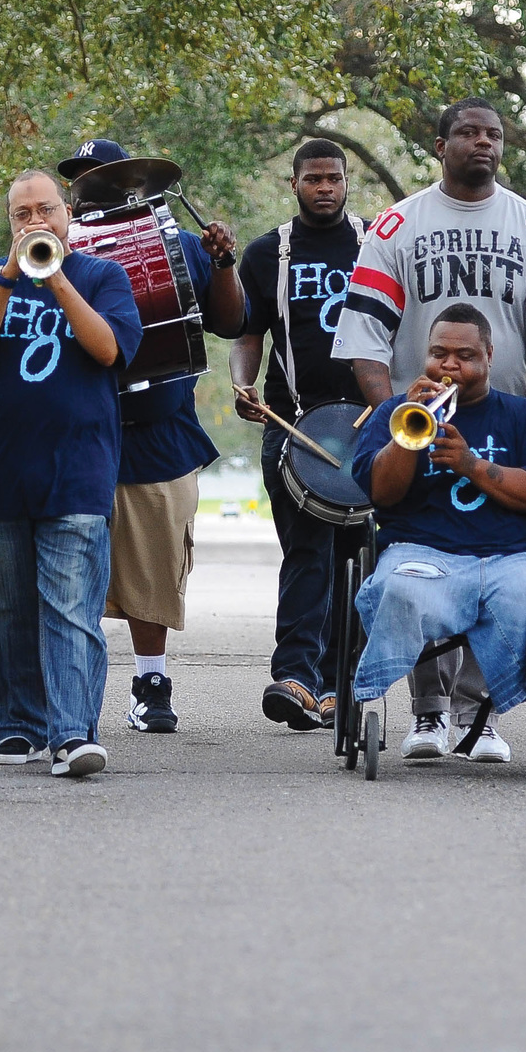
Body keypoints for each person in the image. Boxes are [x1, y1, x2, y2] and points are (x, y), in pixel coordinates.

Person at [332, 98, 526, 762]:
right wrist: (402, 418)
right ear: (441, 143)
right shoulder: (395, 226)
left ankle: (482, 716)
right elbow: (365, 336)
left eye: (495, 134)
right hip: (421, 414)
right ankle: (428, 711)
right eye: (470, 132)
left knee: (504, 556)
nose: (484, 142)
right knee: (421, 546)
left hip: (503, 419)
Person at [0, 170, 144, 779]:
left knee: (72, 609)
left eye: (45, 210)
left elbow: (108, 349)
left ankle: (72, 732)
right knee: (3, 611)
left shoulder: (103, 276)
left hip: (77, 472)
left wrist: (54, 277)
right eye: (22, 214)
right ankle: (17, 725)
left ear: (67, 213)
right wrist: (9, 275)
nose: (34, 222)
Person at [58, 138, 243, 735]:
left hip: (159, 433)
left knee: (156, 568)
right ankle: (65, 693)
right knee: (68, 569)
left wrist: (221, 263)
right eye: (79, 177)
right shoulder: (56, 252)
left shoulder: (176, 242)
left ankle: (151, 681)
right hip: (79, 431)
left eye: (99, 175)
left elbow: (230, 321)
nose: (87, 185)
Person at [344, 306, 526, 746]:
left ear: (489, 355)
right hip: (422, 551)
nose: (449, 365)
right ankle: (429, 713)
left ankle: (479, 716)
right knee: (404, 586)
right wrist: (407, 431)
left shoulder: (525, 417)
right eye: (438, 353)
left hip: (512, 555)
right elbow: (381, 494)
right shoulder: (395, 413)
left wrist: (471, 465)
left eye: (464, 355)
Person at [230, 139, 368, 730]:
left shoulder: (380, 243)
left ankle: (341, 686)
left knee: (358, 559)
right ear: (294, 184)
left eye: (333, 179)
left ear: (346, 181)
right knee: (306, 553)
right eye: (313, 179)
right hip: (293, 425)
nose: (324, 188)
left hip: (368, 428)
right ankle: (295, 678)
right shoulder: (267, 255)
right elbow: (247, 336)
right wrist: (243, 386)